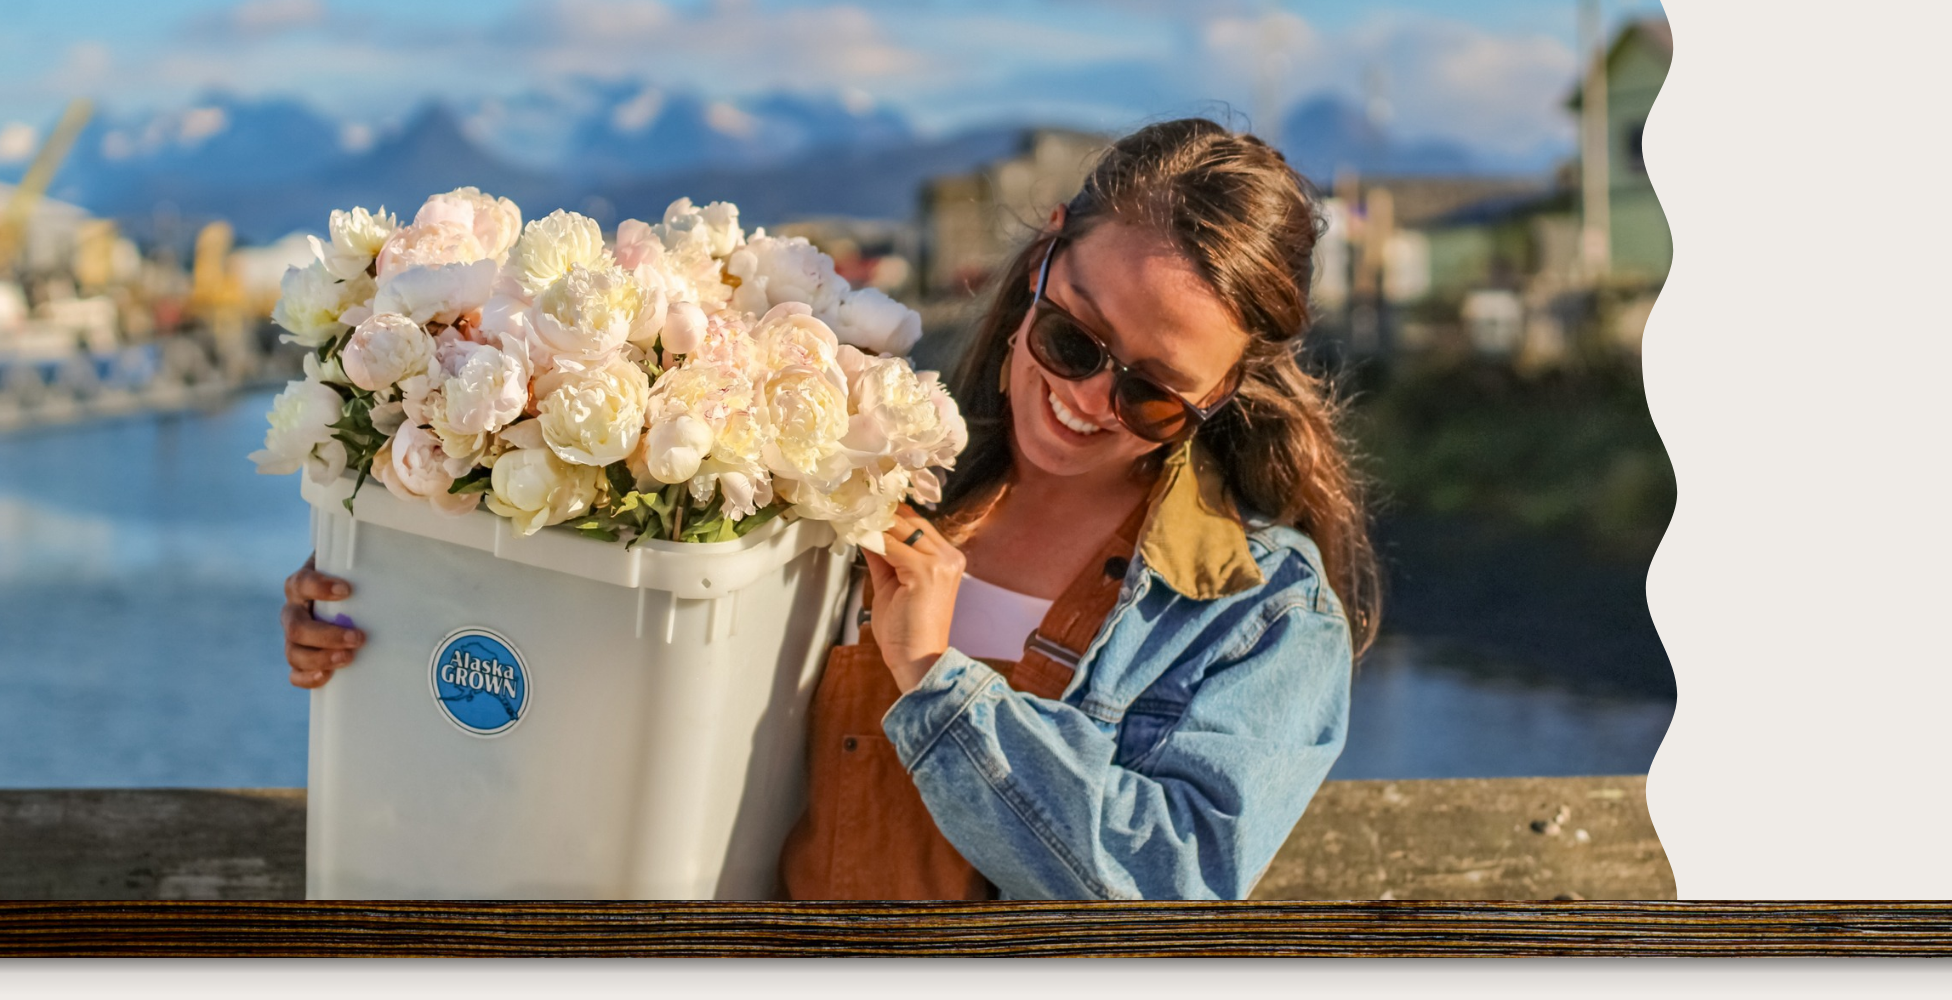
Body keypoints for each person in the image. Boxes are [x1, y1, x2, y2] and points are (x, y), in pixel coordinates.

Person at [280, 118, 1378, 901]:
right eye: (1073, 340)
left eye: (1149, 390)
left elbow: (1166, 881)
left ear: (1221, 395)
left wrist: (936, 680)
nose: (1088, 400)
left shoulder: (1261, 616)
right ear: (1042, 261)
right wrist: (401, 606)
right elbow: (614, 680)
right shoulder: (849, 477)